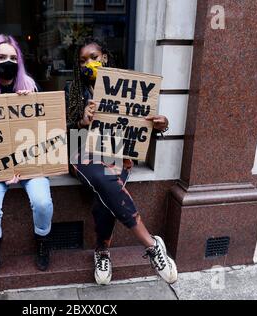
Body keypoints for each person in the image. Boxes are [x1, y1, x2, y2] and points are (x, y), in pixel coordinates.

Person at [64, 38, 177, 285]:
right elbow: (64, 130)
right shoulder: (73, 90)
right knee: (104, 179)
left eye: (93, 57)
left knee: (106, 194)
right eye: (83, 60)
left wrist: (162, 124)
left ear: (104, 56)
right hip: (82, 154)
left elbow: (141, 125)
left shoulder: (128, 85)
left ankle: (102, 252)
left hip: (117, 154)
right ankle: (151, 244)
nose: (89, 63)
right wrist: (82, 121)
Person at [0, 35, 53, 274]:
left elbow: (45, 133)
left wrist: (33, 102)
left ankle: (42, 240)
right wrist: (2, 170)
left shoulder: (30, 88)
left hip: (29, 164)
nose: (7, 62)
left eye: (12, 58)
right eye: (1, 57)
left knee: (42, 202)